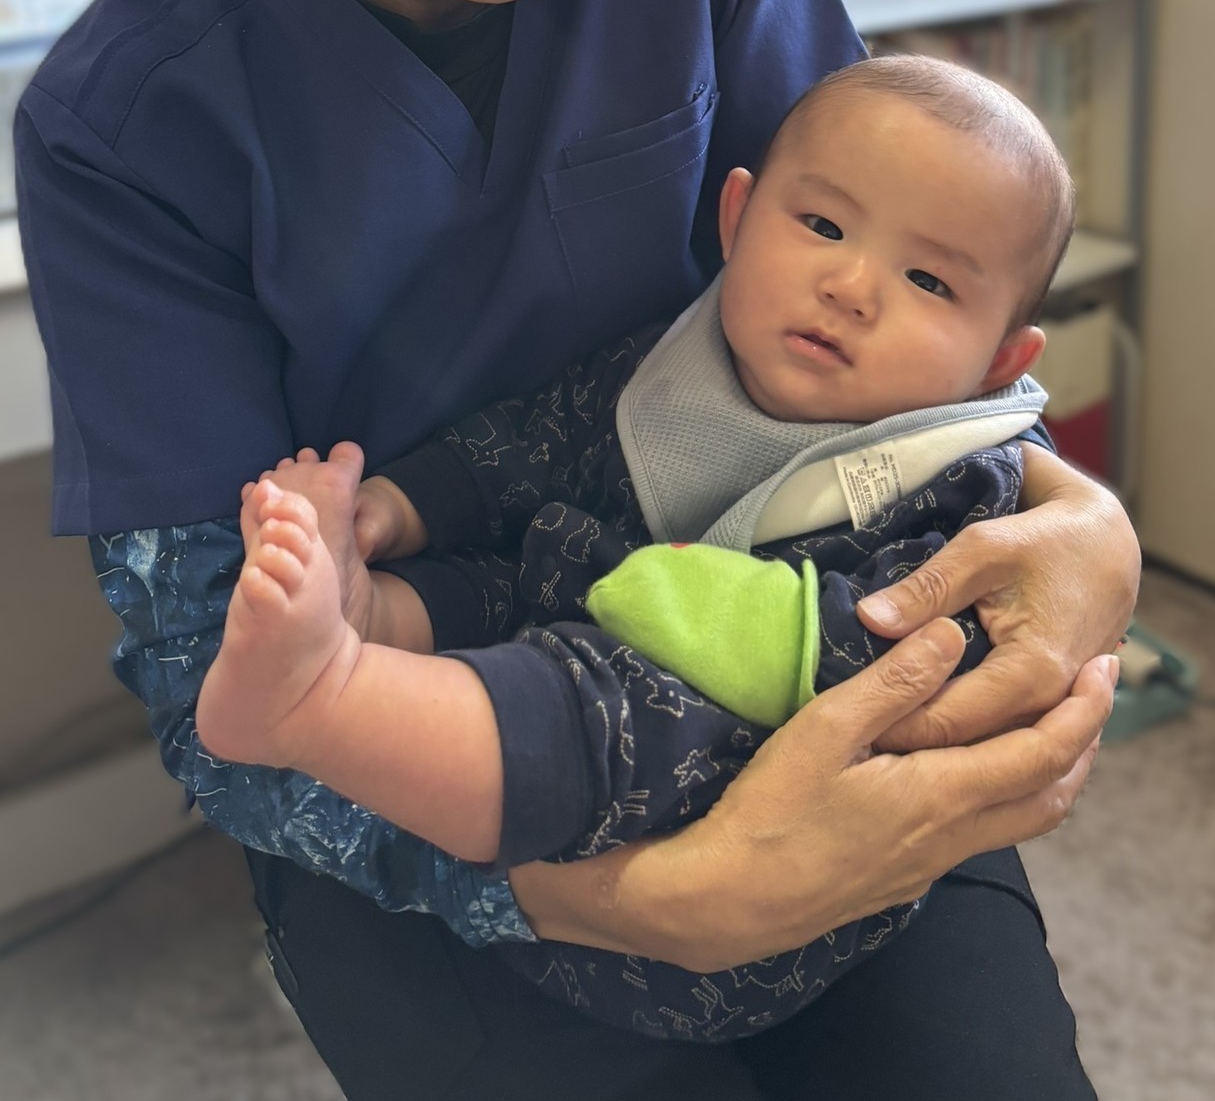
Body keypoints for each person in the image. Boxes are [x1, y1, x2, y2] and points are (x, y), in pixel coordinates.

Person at [15, 0, 1135, 1097]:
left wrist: (1085, 529)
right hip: (436, 757)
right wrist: (629, 898)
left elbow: (904, 300)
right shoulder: (126, 126)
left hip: (786, 638)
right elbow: (222, 705)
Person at [196, 54, 1075, 1045]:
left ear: (1001, 359)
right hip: (553, 883)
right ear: (737, 219)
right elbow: (538, 440)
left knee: (620, 694)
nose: (850, 286)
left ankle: (318, 702)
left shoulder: (961, 484)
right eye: (823, 226)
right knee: (519, 566)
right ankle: (363, 610)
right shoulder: (675, 364)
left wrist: (673, 599)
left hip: (741, 874)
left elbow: (893, 656)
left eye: (928, 280)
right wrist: (394, 510)